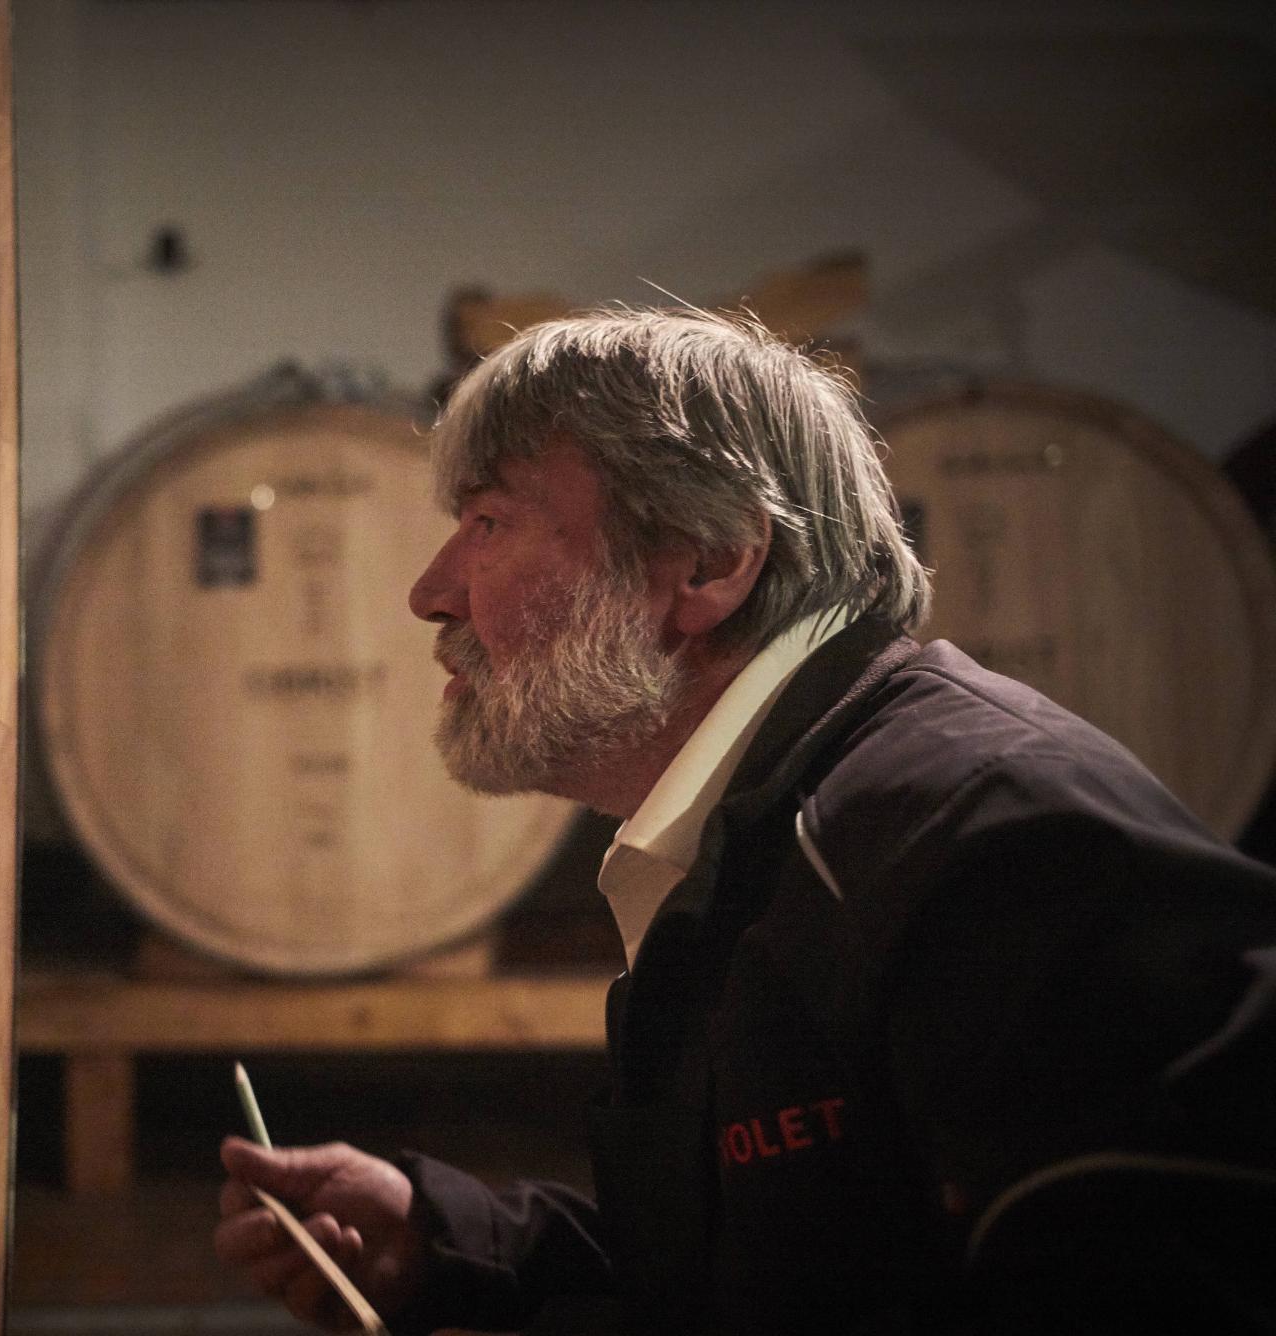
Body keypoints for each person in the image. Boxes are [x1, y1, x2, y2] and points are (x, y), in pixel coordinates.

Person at [213, 308, 1276, 1334]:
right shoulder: (762, 828)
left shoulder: (996, 850)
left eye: (487, 522)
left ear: (709, 562)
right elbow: (765, 1279)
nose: (429, 593)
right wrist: (456, 1245)